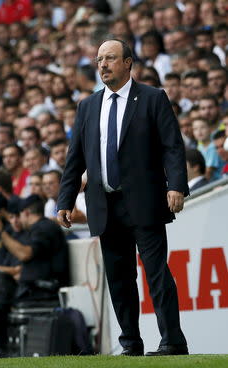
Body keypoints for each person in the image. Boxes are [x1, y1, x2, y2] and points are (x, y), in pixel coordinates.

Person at [57, 39, 189, 356]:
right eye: (99, 59)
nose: (102, 65)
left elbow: (172, 145)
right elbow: (75, 159)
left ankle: (172, 341)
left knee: (157, 274)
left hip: (145, 201)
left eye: (110, 58)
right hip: (105, 205)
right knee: (119, 279)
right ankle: (131, 342)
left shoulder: (153, 98)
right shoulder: (87, 106)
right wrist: (65, 199)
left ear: (128, 63)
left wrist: (176, 185)